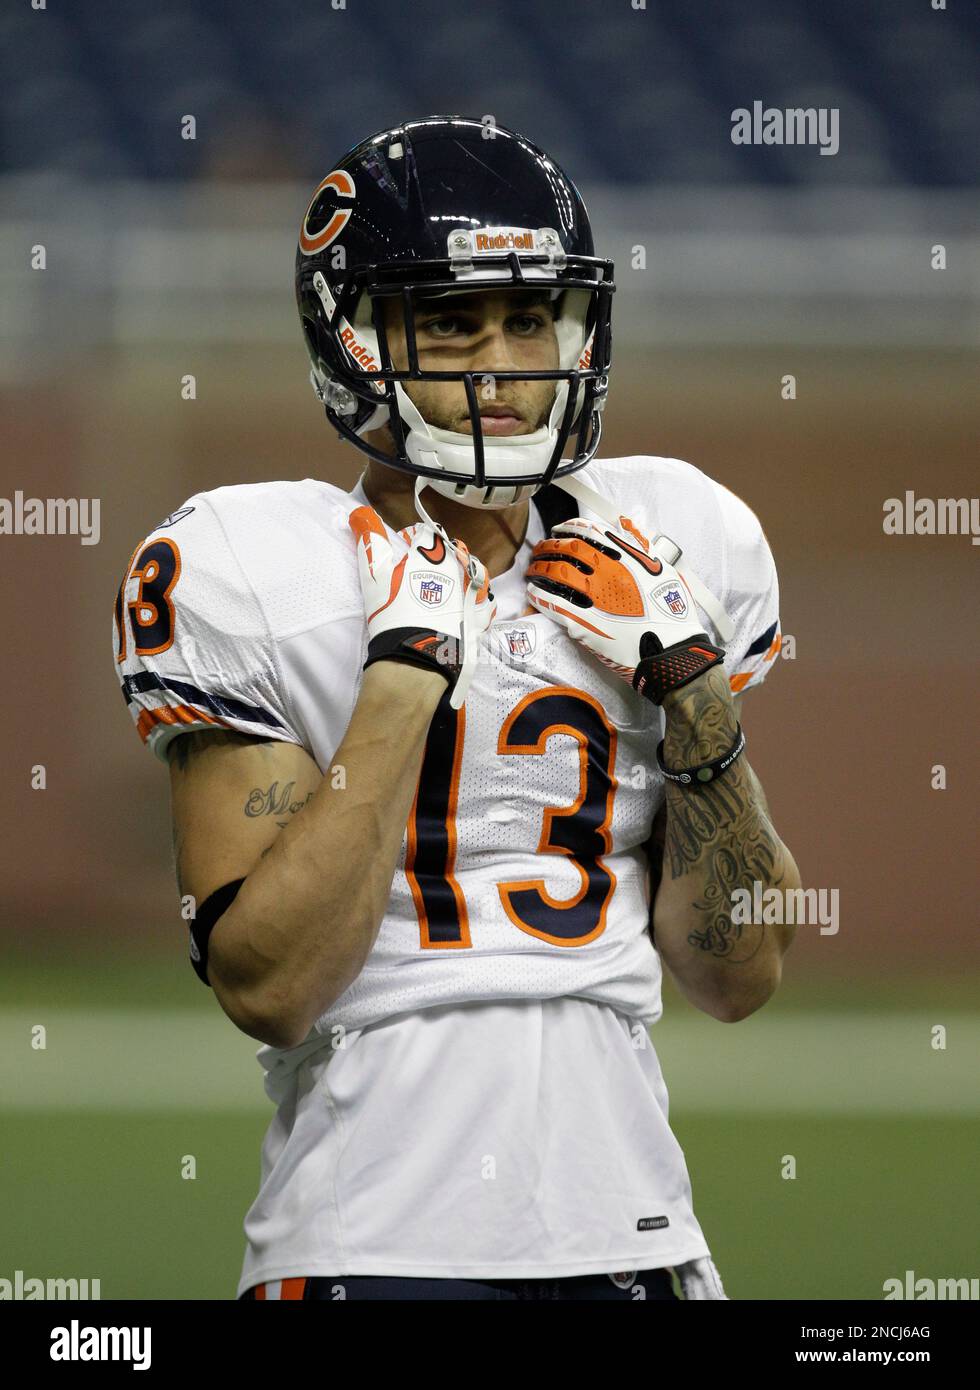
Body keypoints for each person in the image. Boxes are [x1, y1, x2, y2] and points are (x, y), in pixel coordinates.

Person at [112, 116, 800, 1301]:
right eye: (449, 320)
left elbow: (736, 976)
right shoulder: (254, 563)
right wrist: (404, 677)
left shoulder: (671, 542)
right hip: (372, 1239)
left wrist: (694, 701)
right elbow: (268, 989)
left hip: (637, 1229)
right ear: (355, 339)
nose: (500, 363)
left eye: (528, 318)